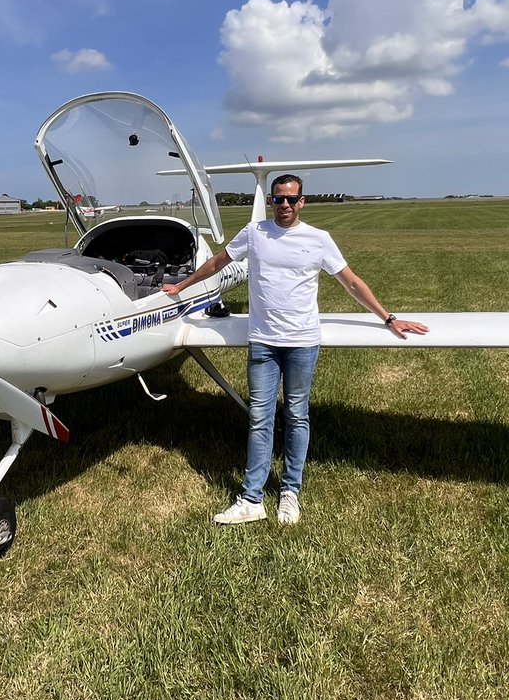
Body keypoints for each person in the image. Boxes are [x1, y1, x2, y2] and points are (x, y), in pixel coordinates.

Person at [161, 175, 428, 526]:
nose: (284, 205)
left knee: (297, 415)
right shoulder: (255, 233)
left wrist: (389, 318)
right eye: (278, 200)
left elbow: (350, 282)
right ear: (272, 202)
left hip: (302, 342)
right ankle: (252, 498)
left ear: (302, 202)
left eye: (291, 199)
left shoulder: (318, 239)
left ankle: (290, 492)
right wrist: (180, 286)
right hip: (263, 342)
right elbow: (218, 263)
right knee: (260, 417)